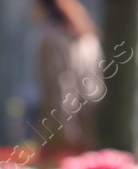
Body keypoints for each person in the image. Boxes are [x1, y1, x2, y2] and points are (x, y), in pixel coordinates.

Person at [31, 0, 103, 155]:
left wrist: (56, 129)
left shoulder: (50, 37)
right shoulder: (89, 37)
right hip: (92, 124)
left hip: (64, 129)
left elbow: (59, 87)